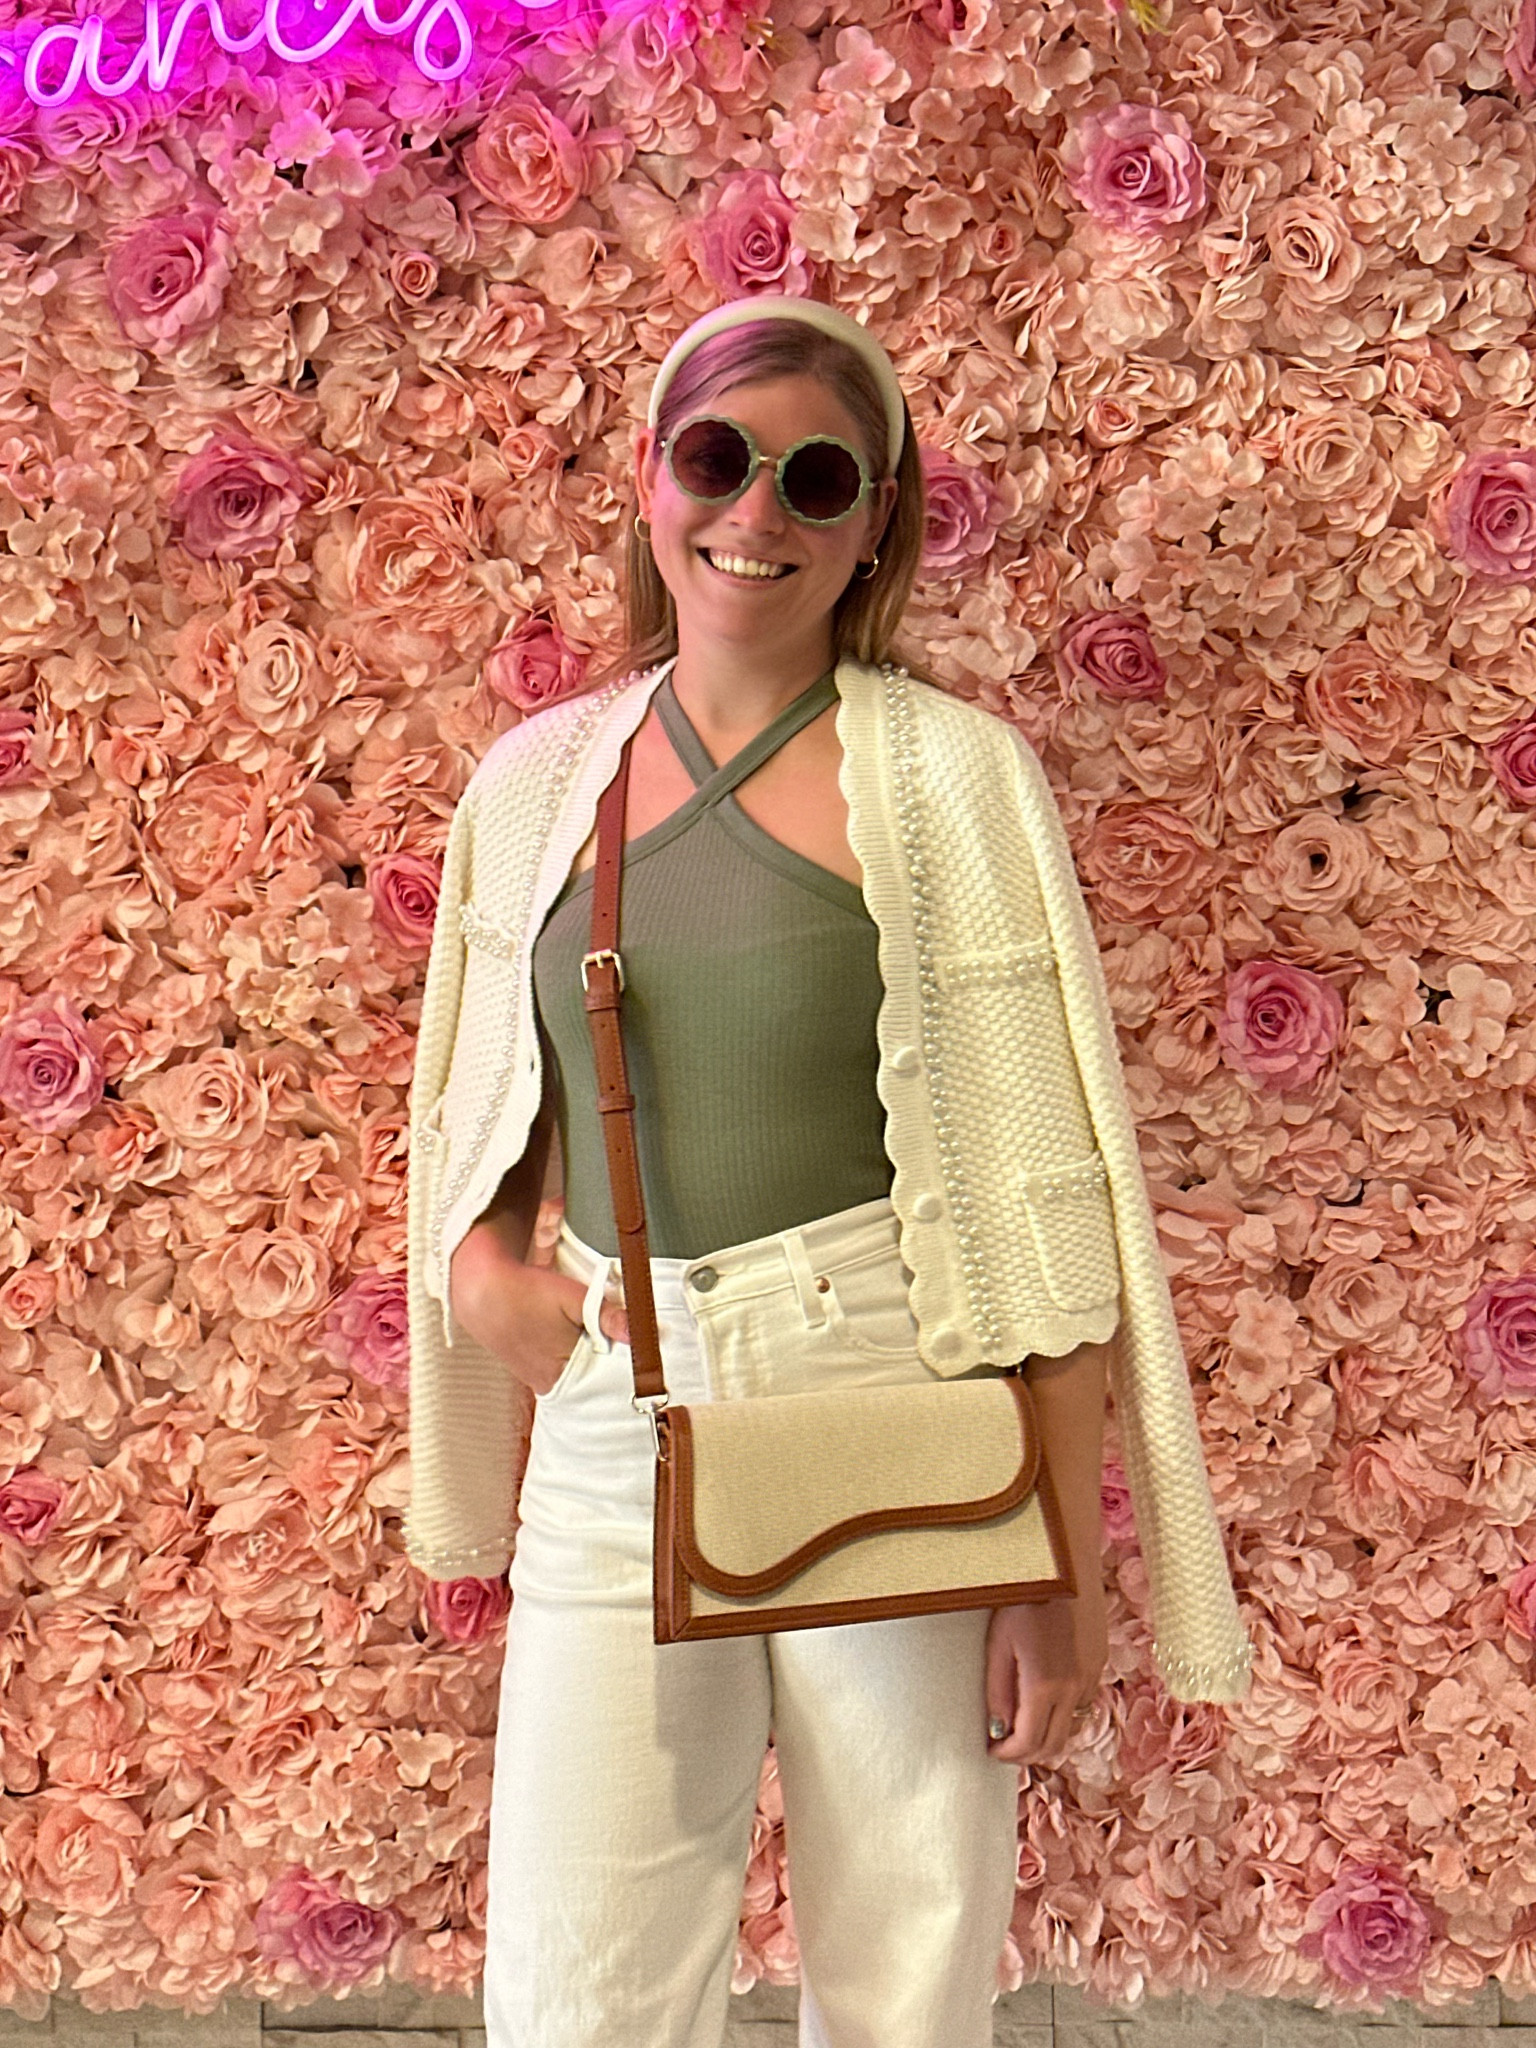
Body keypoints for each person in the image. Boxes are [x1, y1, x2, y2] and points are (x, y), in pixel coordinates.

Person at [404, 295, 1251, 2048]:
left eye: (815, 478)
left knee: (908, 1967)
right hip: (618, 1406)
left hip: (901, 1377)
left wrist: (1053, 1574)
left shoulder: (958, 782)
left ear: (881, 517)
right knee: (577, 1986)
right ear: (651, 480)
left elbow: (1043, 1199)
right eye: (716, 460)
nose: (756, 516)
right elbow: (483, 1104)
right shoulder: (536, 782)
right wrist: (485, 1275)